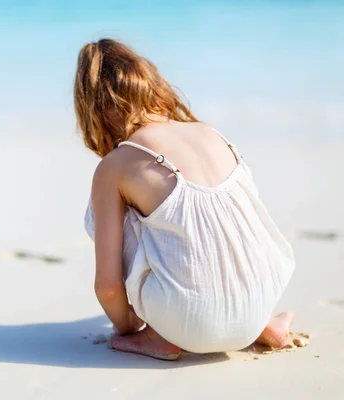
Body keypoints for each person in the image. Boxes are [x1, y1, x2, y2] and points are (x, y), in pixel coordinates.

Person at [75, 38, 296, 360]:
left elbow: (107, 287)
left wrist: (126, 329)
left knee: (111, 214)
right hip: (263, 294)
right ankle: (263, 325)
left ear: (90, 107)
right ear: (155, 87)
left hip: (185, 324)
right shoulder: (211, 133)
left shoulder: (117, 165)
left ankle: (157, 335)